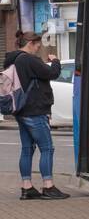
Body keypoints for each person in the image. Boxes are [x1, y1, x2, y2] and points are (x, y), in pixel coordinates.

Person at [4, 31, 69, 199]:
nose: (38, 48)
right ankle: (48, 186)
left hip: (22, 111)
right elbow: (52, 73)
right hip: (35, 111)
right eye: (37, 45)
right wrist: (55, 61)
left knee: (27, 149)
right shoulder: (29, 60)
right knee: (47, 148)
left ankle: (27, 187)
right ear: (30, 43)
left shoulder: (13, 60)